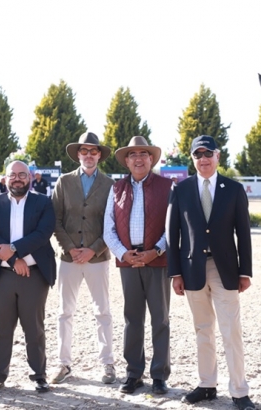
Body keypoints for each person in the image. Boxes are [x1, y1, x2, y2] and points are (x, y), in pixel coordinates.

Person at [166, 135, 255, 410]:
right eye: (197, 154)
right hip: (192, 269)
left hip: (224, 268)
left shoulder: (234, 189)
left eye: (208, 154)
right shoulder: (180, 190)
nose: (203, 159)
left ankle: (239, 391)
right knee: (202, 329)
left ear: (218, 156)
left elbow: (244, 233)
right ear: (192, 159)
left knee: (231, 331)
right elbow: (173, 235)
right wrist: (175, 273)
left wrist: (245, 271)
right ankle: (207, 385)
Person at [0, 161, 56, 394]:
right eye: (13, 175)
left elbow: (43, 234)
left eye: (22, 175)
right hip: (1, 274)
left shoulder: (43, 202)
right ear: (5, 178)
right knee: (1, 329)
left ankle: (39, 375)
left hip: (34, 275)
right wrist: (14, 260)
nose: (17, 179)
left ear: (30, 178)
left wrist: (12, 249)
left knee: (34, 327)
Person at [103, 136, 173, 395]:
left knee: (160, 320)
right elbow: (108, 227)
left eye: (144, 153)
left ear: (152, 159)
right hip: (129, 262)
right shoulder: (116, 188)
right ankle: (133, 374)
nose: (139, 158)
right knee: (132, 319)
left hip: (158, 261)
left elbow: (172, 226)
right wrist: (123, 254)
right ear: (127, 161)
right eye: (133, 154)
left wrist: (156, 251)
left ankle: (159, 376)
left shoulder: (167, 186)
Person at [51, 131, 116, 385]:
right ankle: (64, 363)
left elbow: (112, 224)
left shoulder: (110, 185)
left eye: (93, 151)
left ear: (99, 155)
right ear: (78, 154)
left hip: (98, 258)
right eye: (84, 151)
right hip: (68, 259)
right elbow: (55, 219)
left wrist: (94, 249)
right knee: (64, 312)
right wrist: (69, 248)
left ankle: (107, 363)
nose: (89, 155)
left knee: (103, 311)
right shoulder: (64, 182)